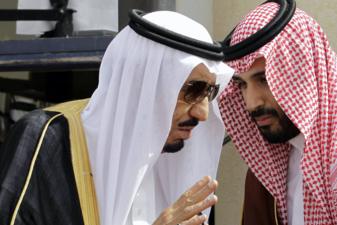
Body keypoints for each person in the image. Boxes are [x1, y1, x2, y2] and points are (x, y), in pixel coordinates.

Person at [0, 11, 234, 225]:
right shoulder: (48, 140)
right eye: (192, 90)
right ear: (142, 82)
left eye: (209, 93)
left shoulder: (185, 166)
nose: (202, 113)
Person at [219, 2, 337, 225]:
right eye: (242, 85)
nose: (251, 103)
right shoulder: (267, 169)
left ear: (304, 72)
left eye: (264, 79)